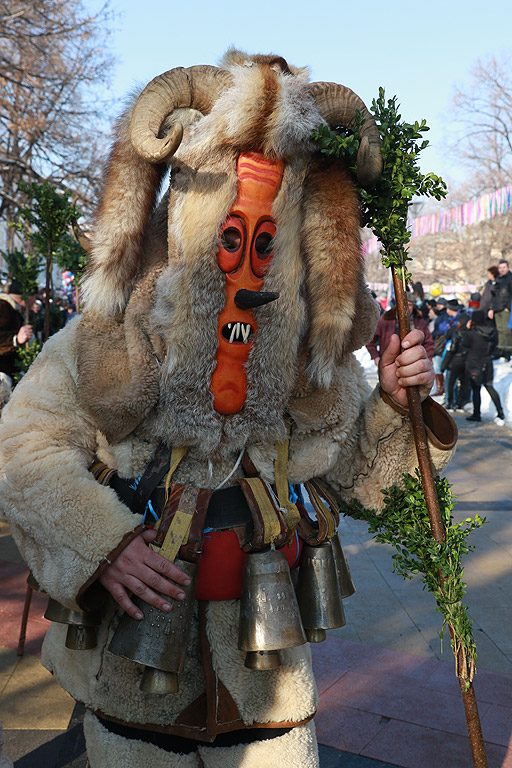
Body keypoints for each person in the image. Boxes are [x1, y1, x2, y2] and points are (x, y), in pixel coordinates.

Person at [0, 51, 456, 768]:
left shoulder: (313, 362)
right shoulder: (108, 338)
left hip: (267, 694)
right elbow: (23, 446)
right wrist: (103, 543)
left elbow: (357, 484)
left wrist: (398, 410)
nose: (243, 265)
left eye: (267, 239)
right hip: (132, 689)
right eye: (229, 234)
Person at [462, 310, 505, 425]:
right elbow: (495, 346)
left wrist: (467, 329)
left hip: (474, 363)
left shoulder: (472, 333)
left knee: (476, 389)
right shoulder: (491, 332)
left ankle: (477, 414)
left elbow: (464, 343)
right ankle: (500, 412)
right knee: (489, 386)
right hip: (487, 362)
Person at [366, 292, 434, 366]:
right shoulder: (386, 319)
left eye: (409, 305)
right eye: (403, 304)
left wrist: (427, 360)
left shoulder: (419, 321)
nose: (406, 307)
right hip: (388, 363)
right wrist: (376, 356)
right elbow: (370, 339)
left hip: (412, 364)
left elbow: (429, 343)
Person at [0, 280, 34, 405]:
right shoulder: (2, 306)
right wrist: (15, 339)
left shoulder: (15, 310)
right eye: (34, 298)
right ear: (28, 297)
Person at [489, 259, 512, 360]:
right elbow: (493, 296)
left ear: (508, 268)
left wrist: (508, 307)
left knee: (507, 330)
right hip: (497, 308)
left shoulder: (510, 279)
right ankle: (502, 349)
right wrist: (491, 308)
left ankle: (507, 351)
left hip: (506, 308)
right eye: (500, 268)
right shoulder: (497, 279)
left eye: (504, 267)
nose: (502, 270)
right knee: (500, 330)